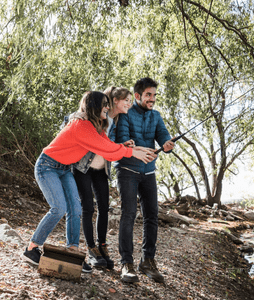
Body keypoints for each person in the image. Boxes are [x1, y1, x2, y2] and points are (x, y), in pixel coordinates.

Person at [22, 91, 153, 273]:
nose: (107, 108)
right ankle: (31, 248)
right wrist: (131, 153)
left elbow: (108, 151)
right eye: (105, 104)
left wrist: (132, 149)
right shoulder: (80, 125)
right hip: (47, 166)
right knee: (59, 208)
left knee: (75, 209)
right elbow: (105, 147)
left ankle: (72, 252)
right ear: (94, 105)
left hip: (64, 169)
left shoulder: (95, 127)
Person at [71, 87, 149, 270]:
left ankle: (102, 246)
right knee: (88, 207)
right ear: (113, 101)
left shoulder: (113, 120)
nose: (129, 104)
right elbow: (87, 138)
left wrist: (121, 145)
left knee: (104, 207)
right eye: (126, 100)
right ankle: (91, 249)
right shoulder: (87, 115)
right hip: (83, 167)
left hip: (101, 169)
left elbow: (107, 145)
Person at [115, 77, 175, 283]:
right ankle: (126, 264)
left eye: (154, 95)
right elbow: (122, 141)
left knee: (151, 216)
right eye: (149, 95)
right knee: (129, 214)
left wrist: (167, 145)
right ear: (138, 95)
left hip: (149, 173)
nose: (152, 99)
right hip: (127, 171)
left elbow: (164, 137)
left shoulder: (156, 116)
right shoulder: (125, 114)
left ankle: (147, 261)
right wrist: (132, 148)